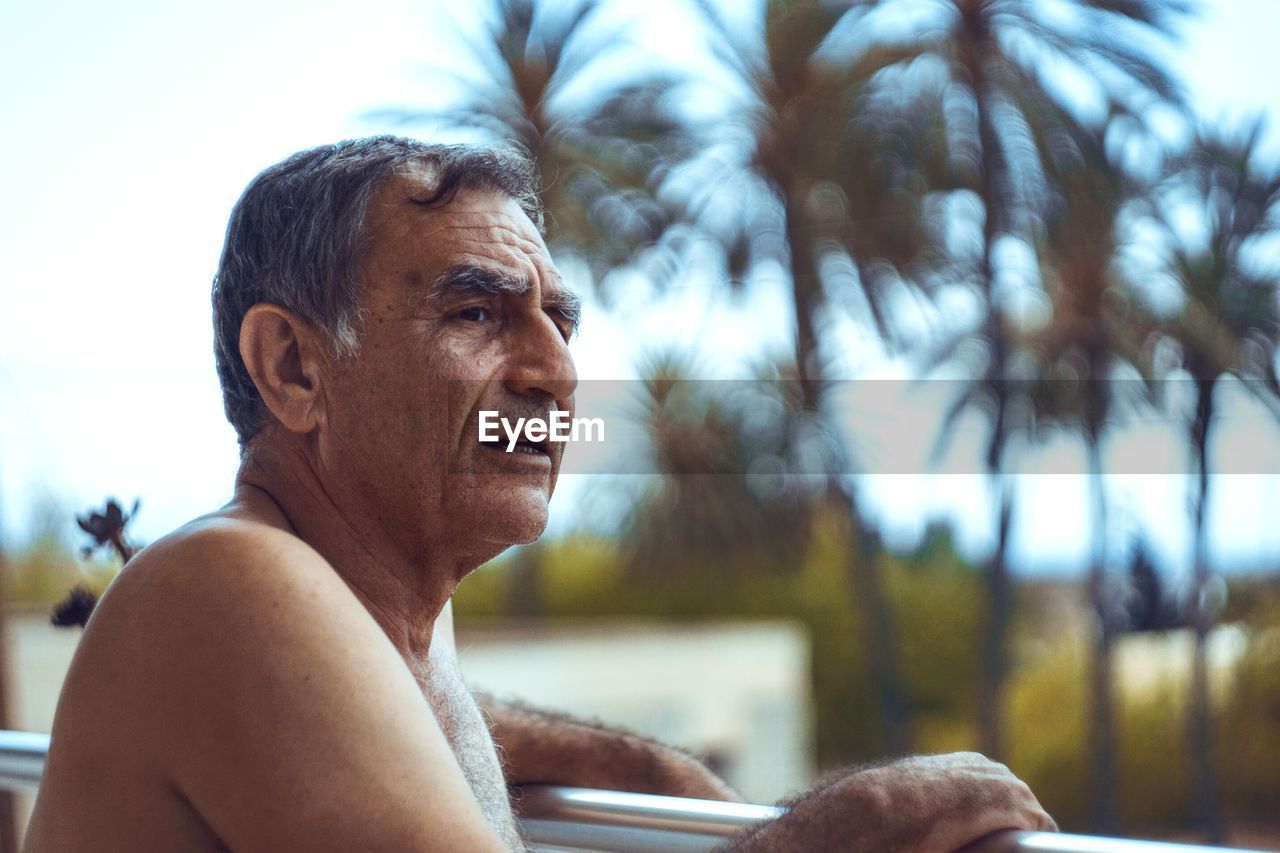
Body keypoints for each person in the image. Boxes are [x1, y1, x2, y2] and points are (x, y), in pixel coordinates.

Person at [23, 136, 1055, 852]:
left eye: (561, 322)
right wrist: (840, 827)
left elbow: (390, 706)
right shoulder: (227, 582)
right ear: (293, 368)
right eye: (476, 312)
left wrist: (646, 771)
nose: (554, 370)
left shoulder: (366, 619)